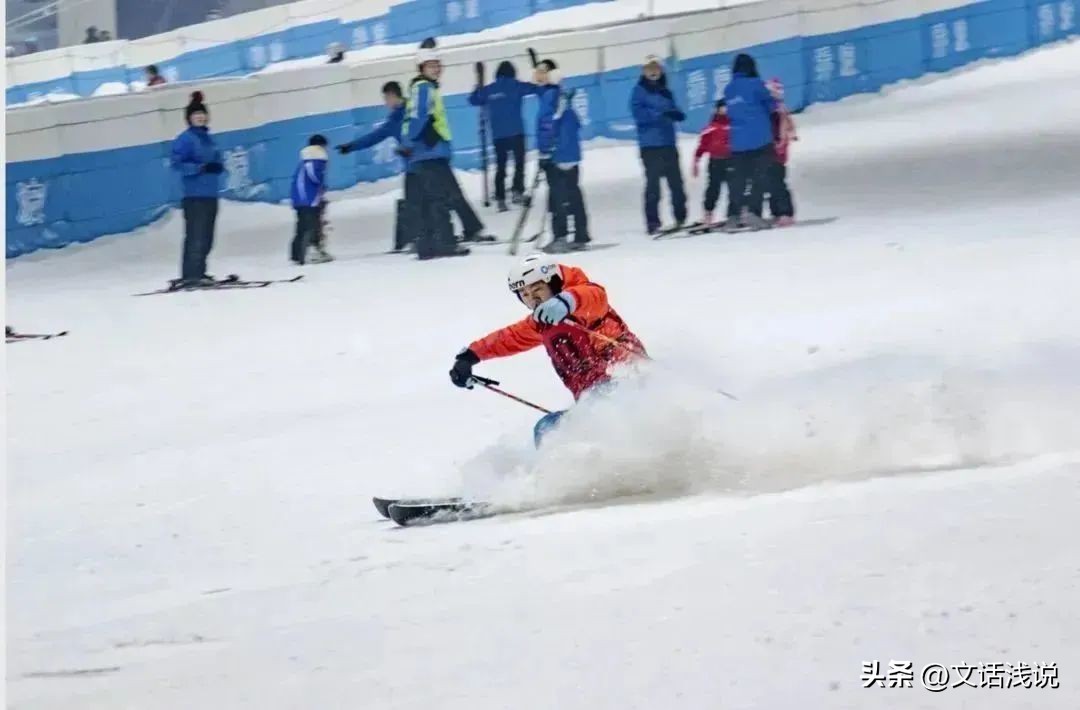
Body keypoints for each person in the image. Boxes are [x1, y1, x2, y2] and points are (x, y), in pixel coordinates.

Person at [449, 254, 646, 446]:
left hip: (628, 382)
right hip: (594, 401)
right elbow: (511, 337)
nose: (533, 298)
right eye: (525, 294)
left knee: (586, 415)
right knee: (546, 430)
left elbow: (594, 296)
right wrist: (470, 356)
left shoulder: (583, 305)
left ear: (553, 283)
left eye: (537, 289)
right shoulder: (543, 322)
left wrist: (567, 301)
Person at [402, 48, 481, 260]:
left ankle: (427, 246)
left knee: (428, 200)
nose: (436, 69)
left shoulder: (423, 88)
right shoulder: (424, 87)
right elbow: (419, 117)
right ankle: (445, 242)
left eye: (437, 65)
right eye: (431, 65)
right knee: (440, 198)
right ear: (421, 68)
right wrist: (411, 141)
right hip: (431, 152)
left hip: (425, 153)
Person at [535, 60, 590, 253]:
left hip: (558, 154)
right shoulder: (561, 96)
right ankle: (581, 234)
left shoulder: (551, 96)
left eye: (542, 72)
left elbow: (547, 126)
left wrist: (545, 151)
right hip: (570, 153)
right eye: (537, 71)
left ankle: (560, 237)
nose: (538, 75)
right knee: (573, 193)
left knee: (557, 197)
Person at [630, 55, 687, 235]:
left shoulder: (665, 91)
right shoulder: (638, 91)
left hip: (668, 143)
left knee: (676, 183)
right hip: (650, 145)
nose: (653, 71)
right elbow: (639, 114)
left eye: (656, 68)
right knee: (653, 185)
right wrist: (661, 115)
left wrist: (676, 113)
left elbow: (672, 109)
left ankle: (681, 216)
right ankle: (652, 222)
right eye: (649, 68)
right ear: (643, 71)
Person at [170, 91, 223, 286]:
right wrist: (199, 168)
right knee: (196, 236)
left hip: (210, 194)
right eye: (195, 115)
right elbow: (176, 163)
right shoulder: (185, 139)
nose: (200, 117)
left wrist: (218, 166)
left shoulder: (209, 138)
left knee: (207, 237)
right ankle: (191, 274)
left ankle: (200, 271)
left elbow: (216, 160)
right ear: (189, 119)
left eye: (202, 114)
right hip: (194, 196)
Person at [469, 60, 537, 211]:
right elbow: (534, 88)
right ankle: (517, 192)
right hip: (517, 132)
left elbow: (473, 100)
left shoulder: (489, 90)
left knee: (501, 167)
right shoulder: (517, 85)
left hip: (498, 135)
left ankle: (500, 199)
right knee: (519, 164)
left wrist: (477, 88)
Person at [722, 53, 776, 232]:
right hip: (760, 138)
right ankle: (754, 212)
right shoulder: (756, 84)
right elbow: (771, 106)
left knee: (738, 181)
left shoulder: (729, 89)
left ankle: (733, 216)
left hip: (738, 141)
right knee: (759, 178)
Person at [289, 134, 331, 265]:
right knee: (311, 225)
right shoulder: (316, 158)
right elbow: (314, 175)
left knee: (302, 226)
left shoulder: (306, 160)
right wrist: (321, 186)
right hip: (308, 198)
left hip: (301, 198)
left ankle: (297, 255)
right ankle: (313, 253)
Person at [691, 99, 733, 229]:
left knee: (735, 187)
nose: (724, 110)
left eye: (726, 107)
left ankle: (736, 213)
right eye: (722, 108)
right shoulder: (710, 128)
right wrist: (696, 160)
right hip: (715, 161)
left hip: (731, 160)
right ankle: (708, 213)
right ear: (717, 110)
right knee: (713, 188)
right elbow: (702, 145)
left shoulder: (733, 125)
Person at [765, 78, 797, 226]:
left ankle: (785, 212)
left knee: (777, 183)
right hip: (772, 150)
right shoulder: (772, 110)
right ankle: (777, 211)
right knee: (772, 183)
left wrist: (780, 143)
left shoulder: (778, 110)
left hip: (777, 151)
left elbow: (786, 128)